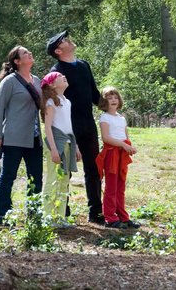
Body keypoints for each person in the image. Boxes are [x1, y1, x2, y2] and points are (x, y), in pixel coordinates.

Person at [46, 30, 105, 225]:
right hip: (67, 128)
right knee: (65, 171)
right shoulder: (56, 73)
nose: (68, 40)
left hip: (88, 125)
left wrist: (112, 107)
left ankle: (96, 212)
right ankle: (63, 210)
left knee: (94, 168)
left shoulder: (84, 65)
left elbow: (94, 94)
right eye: (63, 40)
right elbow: (51, 103)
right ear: (58, 50)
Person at [0, 46, 43, 224]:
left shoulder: (37, 81)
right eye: (25, 54)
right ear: (17, 61)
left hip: (35, 137)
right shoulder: (9, 81)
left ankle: (35, 215)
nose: (30, 54)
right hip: (13, 137)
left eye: (29, 52)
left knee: (36, 178)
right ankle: (4, 216)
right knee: (8, 176)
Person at [39, 71, 81, 228]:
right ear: (52, 84)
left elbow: (69, 126)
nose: (64, 76)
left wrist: (75, 146)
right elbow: (48, 127)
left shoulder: (67, 101)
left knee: (64, 180)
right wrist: (54, 150)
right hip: (56, 143)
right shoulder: (51, 102)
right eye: (59, 76)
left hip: (68, 142)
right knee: (52, 179)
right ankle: (48, 217)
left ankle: (60, 216)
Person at [95, 86, 140, 229]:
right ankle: (110, 217)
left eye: (115, 97)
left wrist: (129, 147)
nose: (113, 100)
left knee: (121, 186)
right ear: (104, 101)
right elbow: (106, 137)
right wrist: (122, 145)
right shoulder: (104, 117)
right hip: (111, 154)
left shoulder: (122, 118)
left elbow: (126, 136)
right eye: (109, 98)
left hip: (122, 154)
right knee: (111, 186)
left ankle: (123, 216)